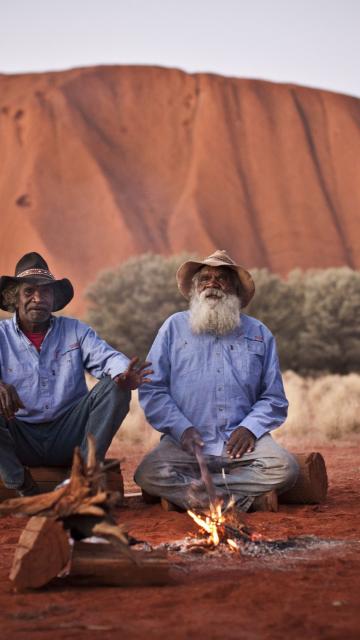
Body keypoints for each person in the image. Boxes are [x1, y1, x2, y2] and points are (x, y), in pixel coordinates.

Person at [135, 250, 299, 512]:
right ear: (194, 288)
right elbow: (153, 388)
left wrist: (250, 428)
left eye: (221, 278)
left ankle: (200, 495)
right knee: (147, 473)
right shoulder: (173, 328)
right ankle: (242, 498)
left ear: (234, 289)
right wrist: (181, 428)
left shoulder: (259, 333)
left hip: (242, 445)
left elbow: (273, 397)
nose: (212, 283)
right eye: (205, 278)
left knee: (285, 469)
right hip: (188, 442)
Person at [0, 252, 152, 496]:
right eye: (29, 292)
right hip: (20, 439)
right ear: (14, 297)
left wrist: (123, 372)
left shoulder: (75, 331)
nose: (38, 298)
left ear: (53, 298)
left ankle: (81, 478)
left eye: (46, 292)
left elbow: (108, 357)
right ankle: (21, 485)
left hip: (69, 436)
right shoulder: (1, 335)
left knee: (116, 388)